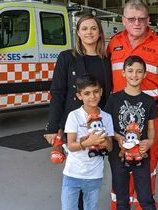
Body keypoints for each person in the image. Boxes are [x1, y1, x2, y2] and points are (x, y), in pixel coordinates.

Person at [107, 1, 158, 207]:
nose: (137, 23)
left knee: (148, 163)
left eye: (141, 18)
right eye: (132, 18)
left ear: (148, 20)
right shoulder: (113, 44)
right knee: (120, 165)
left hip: (152, 117)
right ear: (123, 20)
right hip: (119, 118)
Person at [43, 14, 112, 209]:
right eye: (84, 28)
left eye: (93, 28)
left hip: (97, 127)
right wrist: (52, 126)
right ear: (78, 33)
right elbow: (57, 92)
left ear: (99, 33)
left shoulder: (106, 60)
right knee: (75, 171)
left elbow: (108, 96)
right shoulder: (67, 57)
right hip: (73, 124)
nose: (89, 32)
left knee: (91, 171)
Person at [104, 55, 157, 210]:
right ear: (123, 73)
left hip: (141, 153)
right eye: (130, 71)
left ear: (145, 74)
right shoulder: (114, 99)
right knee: (122, 198)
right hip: (118, 155)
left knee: (146, 197)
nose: (134, 75)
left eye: (139, 71)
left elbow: (151, 127)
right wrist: (117, 136)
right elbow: (106, 125)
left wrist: (151, 141)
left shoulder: (149, 101)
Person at [62, 74, 114, 210]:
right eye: (87, 93)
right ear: (79, 96)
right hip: (72, 174)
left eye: (96, 91)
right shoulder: (74, 116)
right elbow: (71, 146)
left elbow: (110, 148)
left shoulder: (107, 117)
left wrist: (104, 140)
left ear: (101, 92)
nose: (92, 96)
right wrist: (88, 142)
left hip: (94, 175)